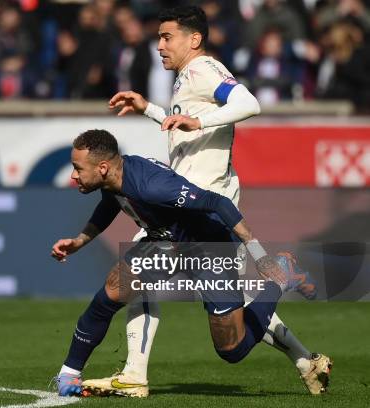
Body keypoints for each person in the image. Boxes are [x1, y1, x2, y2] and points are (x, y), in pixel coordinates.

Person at [90, 5, 330, 396]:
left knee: (140, 280)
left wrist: (199, 121)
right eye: (159, 38)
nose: (160, 46)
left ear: (194, 39)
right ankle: (306, 359)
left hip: (204, 214)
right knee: (225, 312)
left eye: (167, 37)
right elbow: (184, 125)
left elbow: (248, 103)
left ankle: (135, 375)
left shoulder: (205, 69)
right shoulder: (188, 77)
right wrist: (150, 110)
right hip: (187, 213)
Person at [52, 130, 330, 397]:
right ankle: (70, 373)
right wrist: (80, 241)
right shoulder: (114, 178)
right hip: (165, 244)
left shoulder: (153, 187)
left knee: (231, 349)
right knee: (110, 295)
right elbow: (110, 205)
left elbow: (217, 202)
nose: (74, 175)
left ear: (102, 167)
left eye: (77, 168)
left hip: (208, 246)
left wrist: (259, 255)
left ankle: (281, 277)